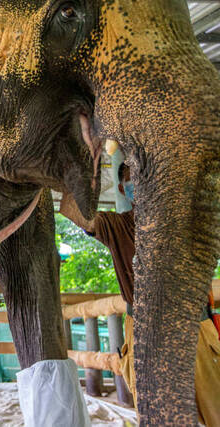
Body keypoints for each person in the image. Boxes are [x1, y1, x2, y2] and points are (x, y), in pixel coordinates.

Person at [60, 163, 220, 425]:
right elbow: (72, 210)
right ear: (124, 189)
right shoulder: (117, 226)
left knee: (215, 406)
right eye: (135, 181)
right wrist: (84, 164)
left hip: (194, 328)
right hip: (145, 331)